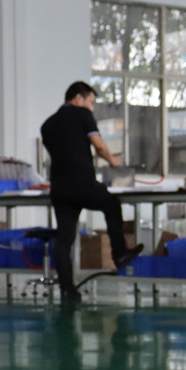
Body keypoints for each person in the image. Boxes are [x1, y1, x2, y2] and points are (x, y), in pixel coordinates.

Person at [41, 81, 143, 301]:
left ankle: (67, 289)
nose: (91, 107)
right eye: (90, 102)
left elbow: (62, 151)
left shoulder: (47, 125)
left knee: (64, 239)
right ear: (78, 98)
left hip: (59, 188)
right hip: (82, 183)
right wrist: (113, 160)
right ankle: (119, 254)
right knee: (112, 205)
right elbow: (98, 144)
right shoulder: (82, 115)